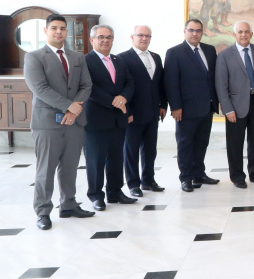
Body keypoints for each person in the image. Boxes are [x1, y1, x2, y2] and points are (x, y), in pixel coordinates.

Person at [24, 15, 94, 229]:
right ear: (46, 31)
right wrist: (69, 106)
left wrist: (74, 110)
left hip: (74, 122)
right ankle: (43, 211)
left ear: (66, 32)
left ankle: (69, 205)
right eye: (54, 28)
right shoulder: (34, 57)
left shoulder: (77, 57)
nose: (59, 32)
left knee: (70, 166)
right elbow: (40, 89)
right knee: (46, 169)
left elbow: (86, 85)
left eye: (62, 28)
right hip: (48, 123)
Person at [83, 25, 136, 211]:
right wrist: (113, 101)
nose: (106, 40)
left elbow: (130, 82)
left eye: (109, 37)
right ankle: (96, 195)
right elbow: (88, 87)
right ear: (92, 40)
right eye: (101, 37)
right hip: (96, 119)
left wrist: (124, 97)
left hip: (118, 119)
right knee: (96, 160)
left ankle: (115, 192)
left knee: (116, 158)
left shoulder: (118, 60)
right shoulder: (85, 61)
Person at [164, 19, 220, 193]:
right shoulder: (174, 52)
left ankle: (199, 174)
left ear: (202, 32)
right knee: (185, 144)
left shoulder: (209, 50)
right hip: (185, 109)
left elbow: (212, 78)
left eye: (198, 31)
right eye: (191, 30)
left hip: (207, 106)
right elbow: (171, 82)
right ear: (185, 31)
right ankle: (186, 177)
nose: (195, 34)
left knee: (202, 143)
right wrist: (175, 106)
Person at [215, 21, 254, 189]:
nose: (244, 35)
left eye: (247, 32)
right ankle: (237, 176)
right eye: (240, 32)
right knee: (235, 143)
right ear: (234, 35)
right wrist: (227, 109)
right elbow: (221, 85)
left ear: (251, 34)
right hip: (235, 105)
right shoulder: (224, 55)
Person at [119, 25, 168, 195]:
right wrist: (127, 112)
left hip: (153, 113)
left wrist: (163, 105)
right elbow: (122, 88)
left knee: (150, 150)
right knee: (131, 151)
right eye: (140, 35)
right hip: (133, 114)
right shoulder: (123, 58)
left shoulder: (156, 57)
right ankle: (133, 184)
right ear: (132, 37)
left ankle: (148, 180)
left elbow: (161, 84)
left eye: (147, 36)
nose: (144, 38)